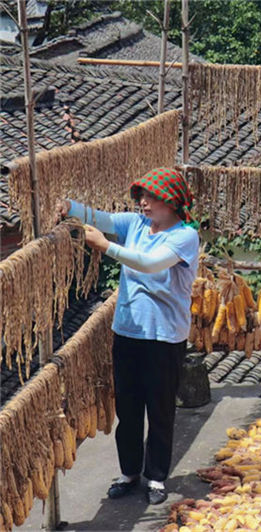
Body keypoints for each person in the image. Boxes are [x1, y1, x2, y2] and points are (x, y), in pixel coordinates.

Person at [58, 167, 199, 505]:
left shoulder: (184, 236)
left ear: (172, 203)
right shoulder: (134, 224)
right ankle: (130, 472)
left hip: (165, 336)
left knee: (161, 409)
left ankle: (156, 477)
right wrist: (67, 205)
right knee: (129, 407)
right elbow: (99, 217)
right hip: (128, 332)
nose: (144, 204)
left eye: (152, 198)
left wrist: (105, 247)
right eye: (142, 197)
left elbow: (149, 263)